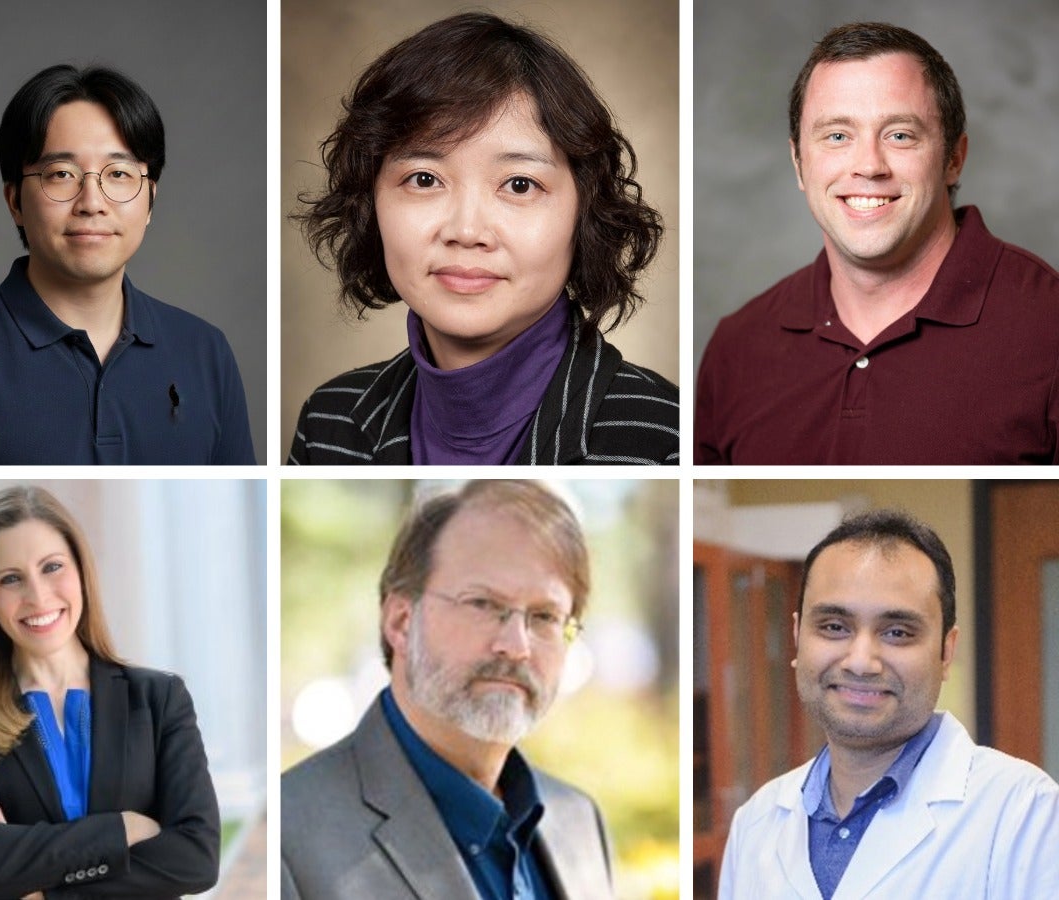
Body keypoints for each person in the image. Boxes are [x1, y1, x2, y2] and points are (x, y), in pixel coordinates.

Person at [287, 13, 677, 466]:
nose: (467, 232)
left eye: (519, 185)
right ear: (370, 202)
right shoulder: (329, 421)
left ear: (585, 210)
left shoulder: (667, 437)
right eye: (425, 178)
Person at [695, 22, 1059, 464]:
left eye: (900, 135)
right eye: (837, 136)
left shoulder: (1048, 325)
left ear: (953, 159)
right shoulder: (737, 348)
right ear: (798, 163)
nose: (868, 165)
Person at [0, 65, 254, 465]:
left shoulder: (206, 353)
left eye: (119, 173)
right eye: (61, 174)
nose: (92, 202)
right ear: (15, 201)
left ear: (150, 199)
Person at [281, 481, 615, 900]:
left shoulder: (581, 822)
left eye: (545, 616)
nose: (516, 646)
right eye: (483, 604)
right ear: (401, 622)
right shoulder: (287, 837)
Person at [719, 511, 1059, 898]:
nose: (861, 662)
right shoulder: (755, 824)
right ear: (798, 636)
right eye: (833, 626)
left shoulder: (1024, 814)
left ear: (946, 651)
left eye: (897, 632)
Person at [0, 486, 220, 898]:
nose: (38, 596)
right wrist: (122, 829)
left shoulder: (159, 699)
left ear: (81, 571)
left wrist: (38, 884)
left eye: (52, 567)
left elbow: (196, 858)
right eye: (11, 579)